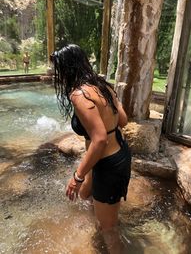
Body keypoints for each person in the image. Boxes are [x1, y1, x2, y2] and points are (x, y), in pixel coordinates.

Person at [50, 44, 131, 253]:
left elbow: (100, 139)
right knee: (85, 198)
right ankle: (98, 221)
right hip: (118, 154)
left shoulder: (79, 95)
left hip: (108, 164)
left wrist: (77, 176)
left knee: (109, 231)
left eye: (57, 69)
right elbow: (122, 121)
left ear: (68, 68)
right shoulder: (102, 85)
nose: (56, 75)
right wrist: (112, 105)